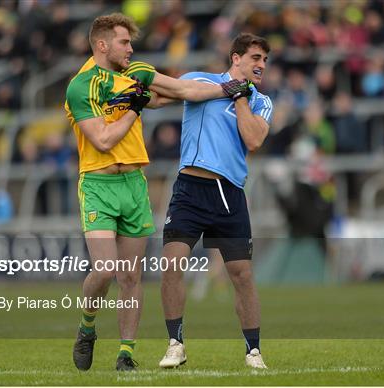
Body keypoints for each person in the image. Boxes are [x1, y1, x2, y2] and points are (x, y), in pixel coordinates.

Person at [64, 13, 250, 372]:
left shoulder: (137, 72)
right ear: (102, 45)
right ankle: (87, 326)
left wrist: (228, 88)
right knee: (104, 270)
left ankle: (126, 354)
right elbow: (103, 140)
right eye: (124, 42)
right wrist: (135, 107)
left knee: (131, 276)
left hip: (134, 184)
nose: (131, 48)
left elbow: (184, 90)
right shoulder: (81, 85)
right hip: (98, 184)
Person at [150, 33, 273, 369]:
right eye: (255, 58)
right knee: (172, 265)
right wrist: (136, 92)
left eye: (264, 59)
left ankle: (253, 351)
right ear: (236, 58)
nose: (261, 65)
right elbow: (161, 96)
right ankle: (175, 343)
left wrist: (242, 98)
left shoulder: (262, 102)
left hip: (229, 193)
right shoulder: (200, 81)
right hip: (190, 189)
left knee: (242, 275)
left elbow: (253, 139)